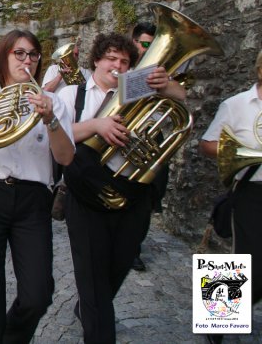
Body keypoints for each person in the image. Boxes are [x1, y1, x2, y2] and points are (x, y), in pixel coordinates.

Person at [58, 32, 180, 344]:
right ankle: (96, 321)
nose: (118, 65)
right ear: (96, 60)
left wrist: (164, 85)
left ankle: (222, 324)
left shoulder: (137, 92)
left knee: (121, 264)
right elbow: (54, 135)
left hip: (132, 193)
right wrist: (96, 126)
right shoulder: (73, 94)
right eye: (111, 58)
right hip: (87, 194)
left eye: (125, 61)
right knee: (94, 279)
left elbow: (181, 98)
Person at [0, 29, 75, 343]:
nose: (27, 61)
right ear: (2, 57)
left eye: (33, 55)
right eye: (18, 53)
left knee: (38, 294)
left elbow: (65, 156)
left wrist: (50, 120)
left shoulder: (54, 105)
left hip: (33, 200)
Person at [198, 49, 262, 344]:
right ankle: (216, 318)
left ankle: (224, 310)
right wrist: (243, 154)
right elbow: (207, 144)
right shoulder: (236, 105)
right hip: (250, 191)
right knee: (248, 260)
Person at [130, 22, 187, 271]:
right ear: (133, 42)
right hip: (124, 134)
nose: (146, 49)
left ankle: (134, 244)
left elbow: (182, 95)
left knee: (150, 195)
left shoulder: (162, 71)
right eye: (143, 44)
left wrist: (164, 84)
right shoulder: (122, 66)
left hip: (151, 137)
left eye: (151, 45)